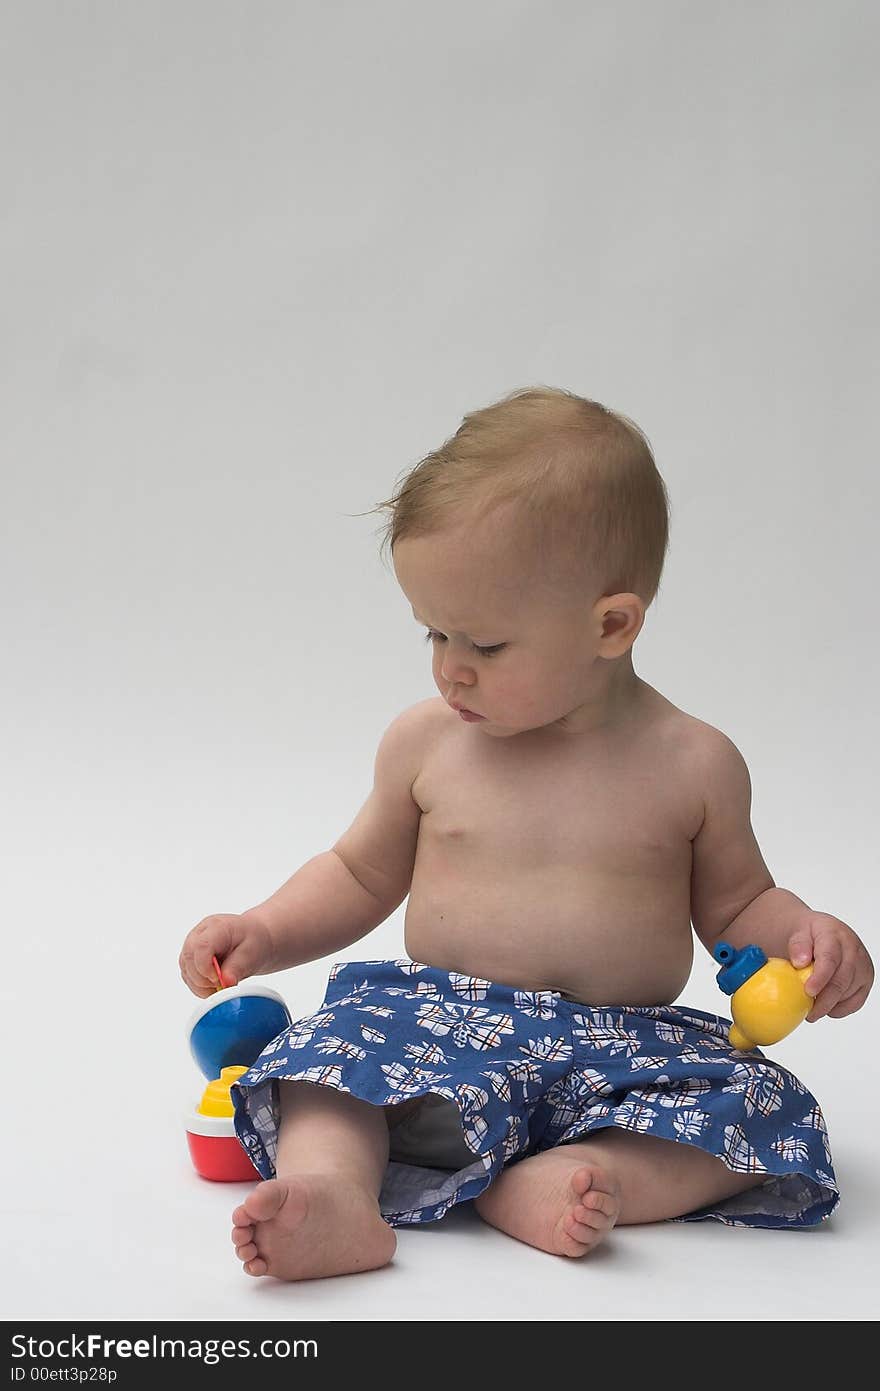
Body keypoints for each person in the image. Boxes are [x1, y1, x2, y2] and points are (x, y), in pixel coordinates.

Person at [179, 385, 873, 1281]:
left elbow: (739, 903)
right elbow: (356, 872)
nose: (449, 667)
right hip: (435, 1032)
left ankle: (571, 1179)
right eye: (435, 632)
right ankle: (339, 1196)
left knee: (767, 1106)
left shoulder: (693, 763)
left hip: (622, 1054)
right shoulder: (427, 743)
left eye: (486, 644)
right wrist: (266, 930)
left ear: (610, 625)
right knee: (322, 1056)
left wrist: (805, 937)